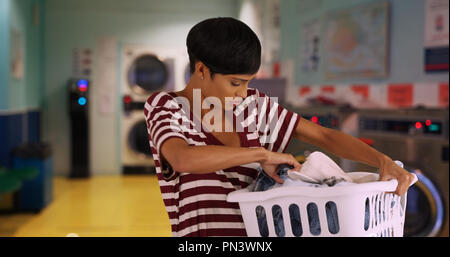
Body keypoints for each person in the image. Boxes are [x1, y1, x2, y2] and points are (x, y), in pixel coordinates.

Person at [144, 17, 415, 237]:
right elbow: (182, 158)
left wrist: (382, 161)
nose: (243, 93)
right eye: (236, 83)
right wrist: (262, 154)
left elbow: (322, 135)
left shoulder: (253, 106)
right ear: (202, 70)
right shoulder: (167, 105)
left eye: (248, 82)